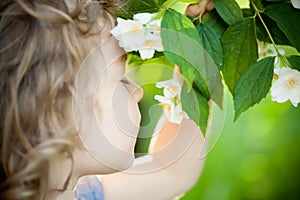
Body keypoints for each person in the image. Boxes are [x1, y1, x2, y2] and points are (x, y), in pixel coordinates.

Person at [0, 0, 214, 199]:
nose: (138, 92)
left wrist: (196, 61)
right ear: (57, 113)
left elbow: (172, 171)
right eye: (121, 80)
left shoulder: (89, 193)